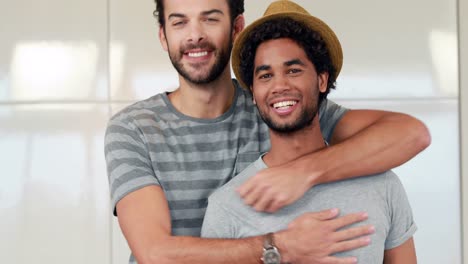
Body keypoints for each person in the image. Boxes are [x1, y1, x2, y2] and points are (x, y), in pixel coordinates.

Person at [104, 0, 429, 263]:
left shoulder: (286, 105)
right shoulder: (133, 129)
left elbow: (411, 134)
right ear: (163, 36)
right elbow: (155, 254)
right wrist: (281, 247)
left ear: (236, 27)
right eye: (179, 22)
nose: (195, 36)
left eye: (210, 18)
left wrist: (302, 173)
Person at [201, 1, 417, 263]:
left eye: (293, 70)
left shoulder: (383, 185)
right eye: (265, 76)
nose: (279, 85)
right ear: (254, 94)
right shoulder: (227, 206)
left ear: (321, 80)